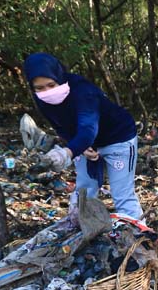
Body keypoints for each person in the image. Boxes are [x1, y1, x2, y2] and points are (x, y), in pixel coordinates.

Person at [22, 52, 143, 220]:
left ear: (59, 77)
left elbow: (88, 128)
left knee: (122, 193)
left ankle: (140, 236)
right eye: (40, 88)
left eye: (51, 85)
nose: (47, 91)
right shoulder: (42, 99)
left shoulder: (83, 91)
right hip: (81, 142)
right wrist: (77, 145)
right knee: (84, 190)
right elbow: (59, 126)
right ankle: (80, 230)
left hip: (118, 138)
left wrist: (67, 152)